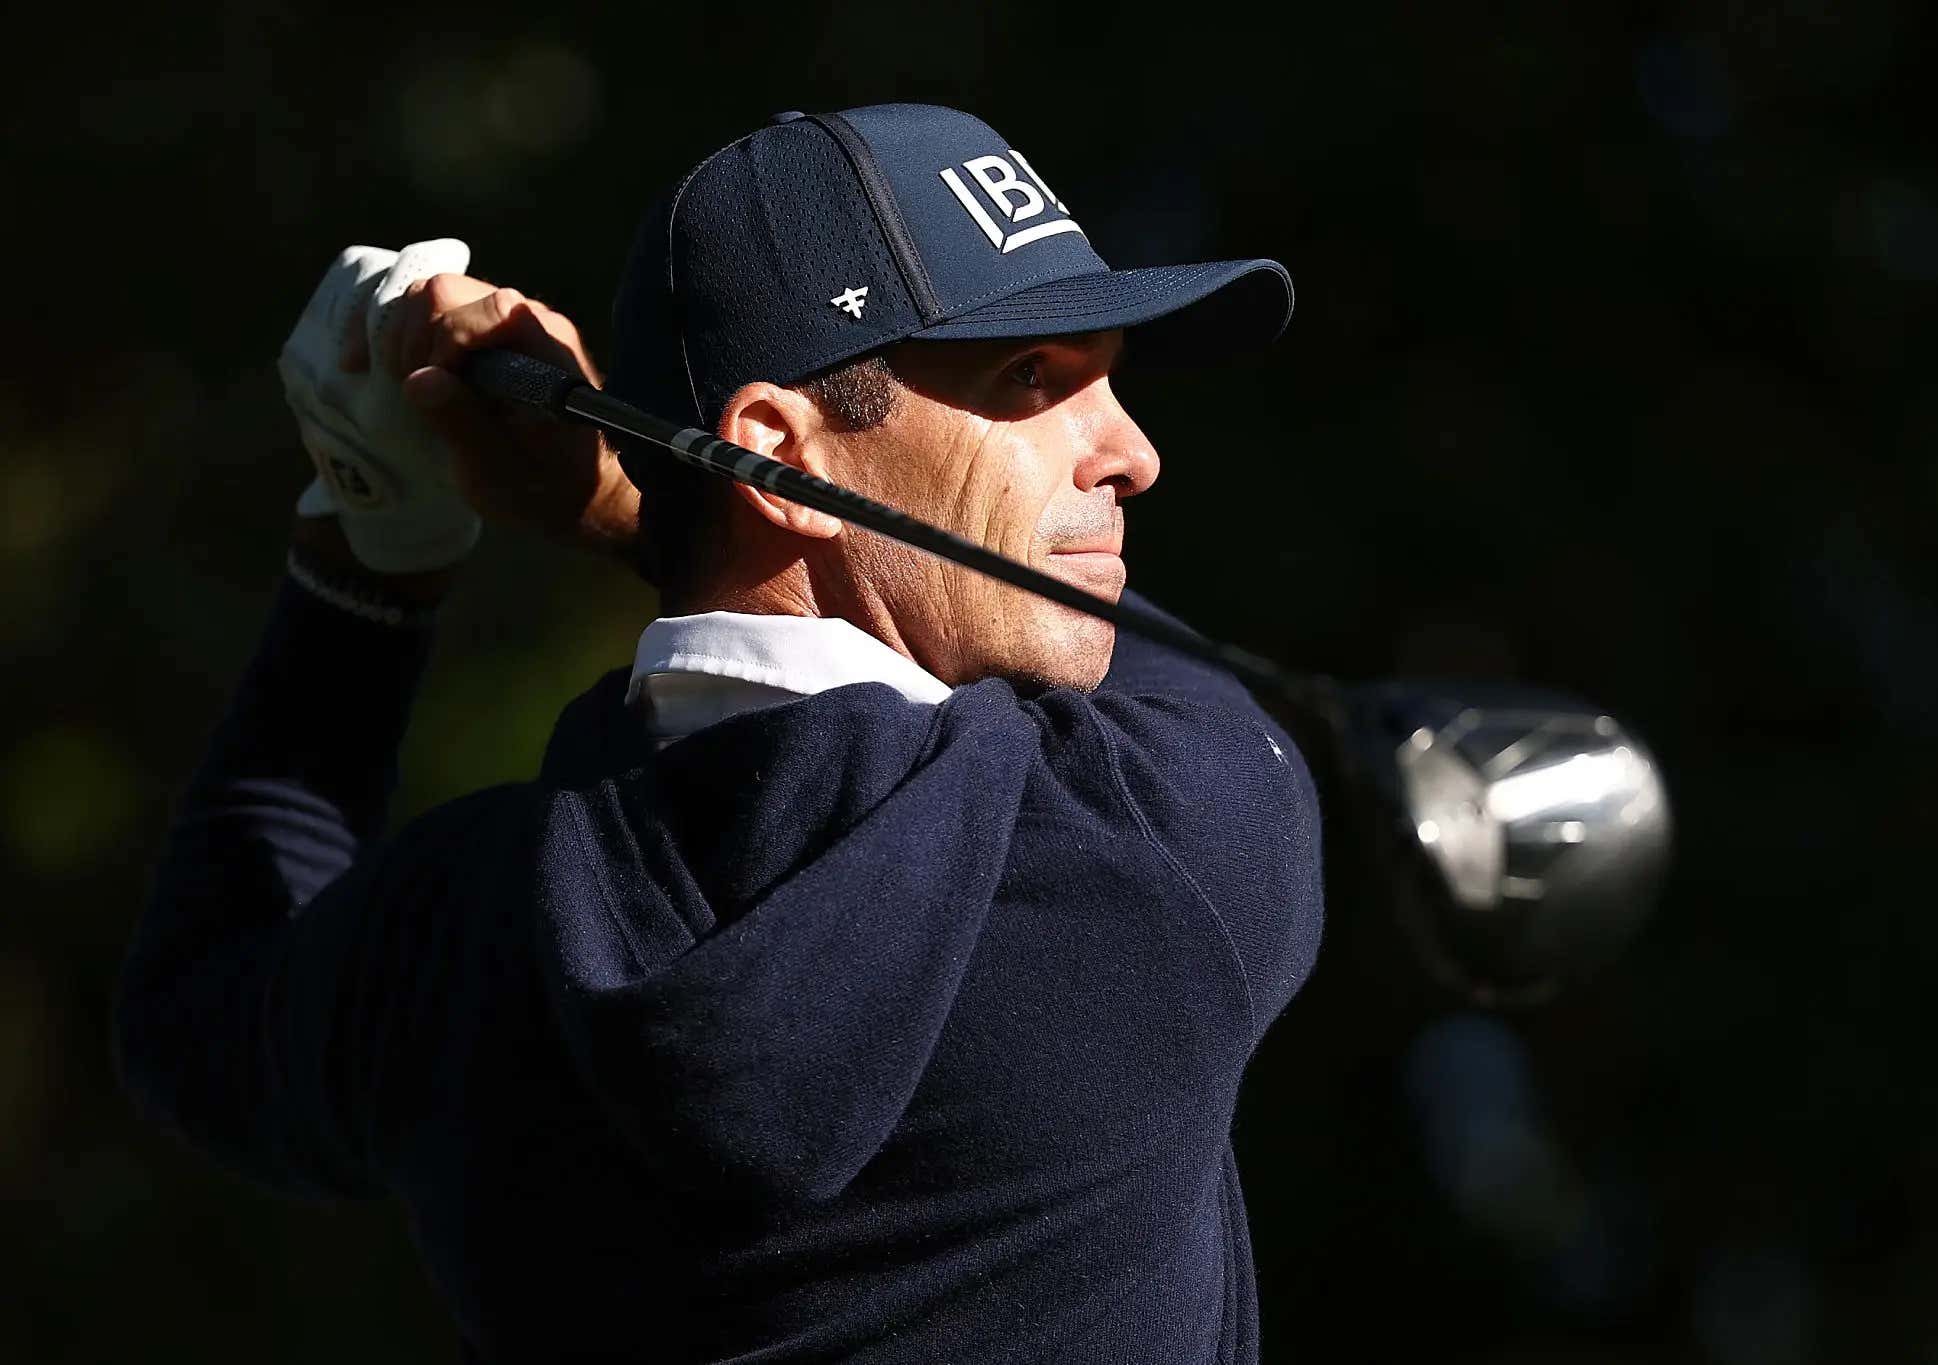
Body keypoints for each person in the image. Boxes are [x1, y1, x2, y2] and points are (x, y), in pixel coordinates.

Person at [116, 104, 1324, 1363]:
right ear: (777, 460)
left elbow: (194, 1007)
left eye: (1107, 378)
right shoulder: (1159, 851)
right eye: (1030, 377)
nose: (1130, 453)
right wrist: (627, 509)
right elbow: (1181, 680)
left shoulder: (463, 927)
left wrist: (370, 558)